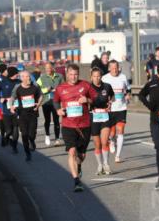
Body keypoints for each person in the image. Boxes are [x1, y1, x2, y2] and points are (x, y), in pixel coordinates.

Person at [53, 64, 98, 192]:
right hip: (68, 125)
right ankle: (76, 181)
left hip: (84, 125)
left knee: (81, 155)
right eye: (71, 74)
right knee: (72, 152)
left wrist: (87, 100)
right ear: (67, 74)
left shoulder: (85, 85)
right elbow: (55, 101)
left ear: (79, 74)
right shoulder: (60, 88)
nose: (73, 77)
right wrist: (58, 110)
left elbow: (96, 99)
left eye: (76, 74)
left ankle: (78, 166)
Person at [102, 60, 131, 164]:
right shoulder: (105, 78)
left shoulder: (123, 77)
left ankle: (118, 156)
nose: (114, 70)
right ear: (109, 68)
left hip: (121, 108)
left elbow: (128, 89)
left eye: (116, 68)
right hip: (110, 109)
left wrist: (127, 95)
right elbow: (101, 92)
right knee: (112, 133)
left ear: (119, 67)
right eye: (112, 68)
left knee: (120, 130)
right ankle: (111, 140)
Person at [88, 67, 114, 175]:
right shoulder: (88, 88)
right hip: (94, 116)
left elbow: (112, 96)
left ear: (101, 76)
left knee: (104, 142)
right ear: (91, 77)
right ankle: (99, 165)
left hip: (105, 116)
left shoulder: (107, 86)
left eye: (98, 76)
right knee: (97, 144)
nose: (96, 78)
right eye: (94, 76)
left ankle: (106, 164)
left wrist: (110, 102)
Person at [13, 70, 42, 161]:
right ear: (22, 78)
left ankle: (32, 141)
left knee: (32, 134)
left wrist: (38, 104)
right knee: (24, 135)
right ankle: (27, 153)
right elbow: (12, 98)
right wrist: (11, 106)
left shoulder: (35, 86)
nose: (29, 78)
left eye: (29, 76)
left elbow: (41, 96)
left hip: (33, 114)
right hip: (22, 114)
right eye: (26, 76)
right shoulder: (17, 88)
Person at [38, 61, 65, 147]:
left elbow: (64, 87)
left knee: (56, 120)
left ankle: (57, 139)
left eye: (49, 68)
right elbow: (38, 90)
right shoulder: (41, 77)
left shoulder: (59, 76)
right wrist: (47, 89)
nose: (48, 70)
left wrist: (58, 90)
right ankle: (47, 135)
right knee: (47, 120)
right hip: (46, 102)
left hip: (56, 101)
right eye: (46, 68)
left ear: (53, 68)